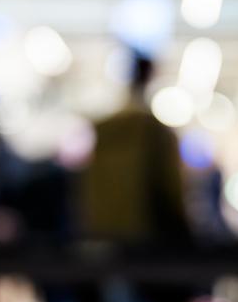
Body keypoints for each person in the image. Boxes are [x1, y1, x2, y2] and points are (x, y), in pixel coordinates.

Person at [79, 51, 188, 242]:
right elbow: (171, 189)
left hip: (104, 233)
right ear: (151, 76)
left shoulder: (104, 130)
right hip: (148, 237)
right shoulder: (155, 132)